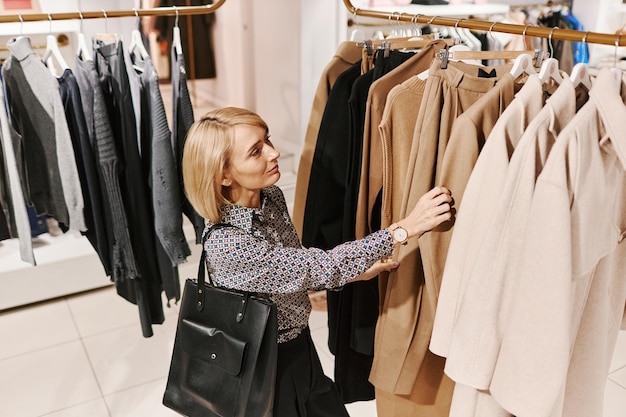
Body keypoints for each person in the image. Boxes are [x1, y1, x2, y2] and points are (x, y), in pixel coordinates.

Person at [182, 107, 453, 417]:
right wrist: (404, 229)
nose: (274, 153)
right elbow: (313, 267)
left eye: (267, 140)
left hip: (299, 344)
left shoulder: (269, 197)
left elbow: (295, 268)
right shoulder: (229, 243)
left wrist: (353, 273)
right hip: (265, 365)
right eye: (256, 151)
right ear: (223, 174)